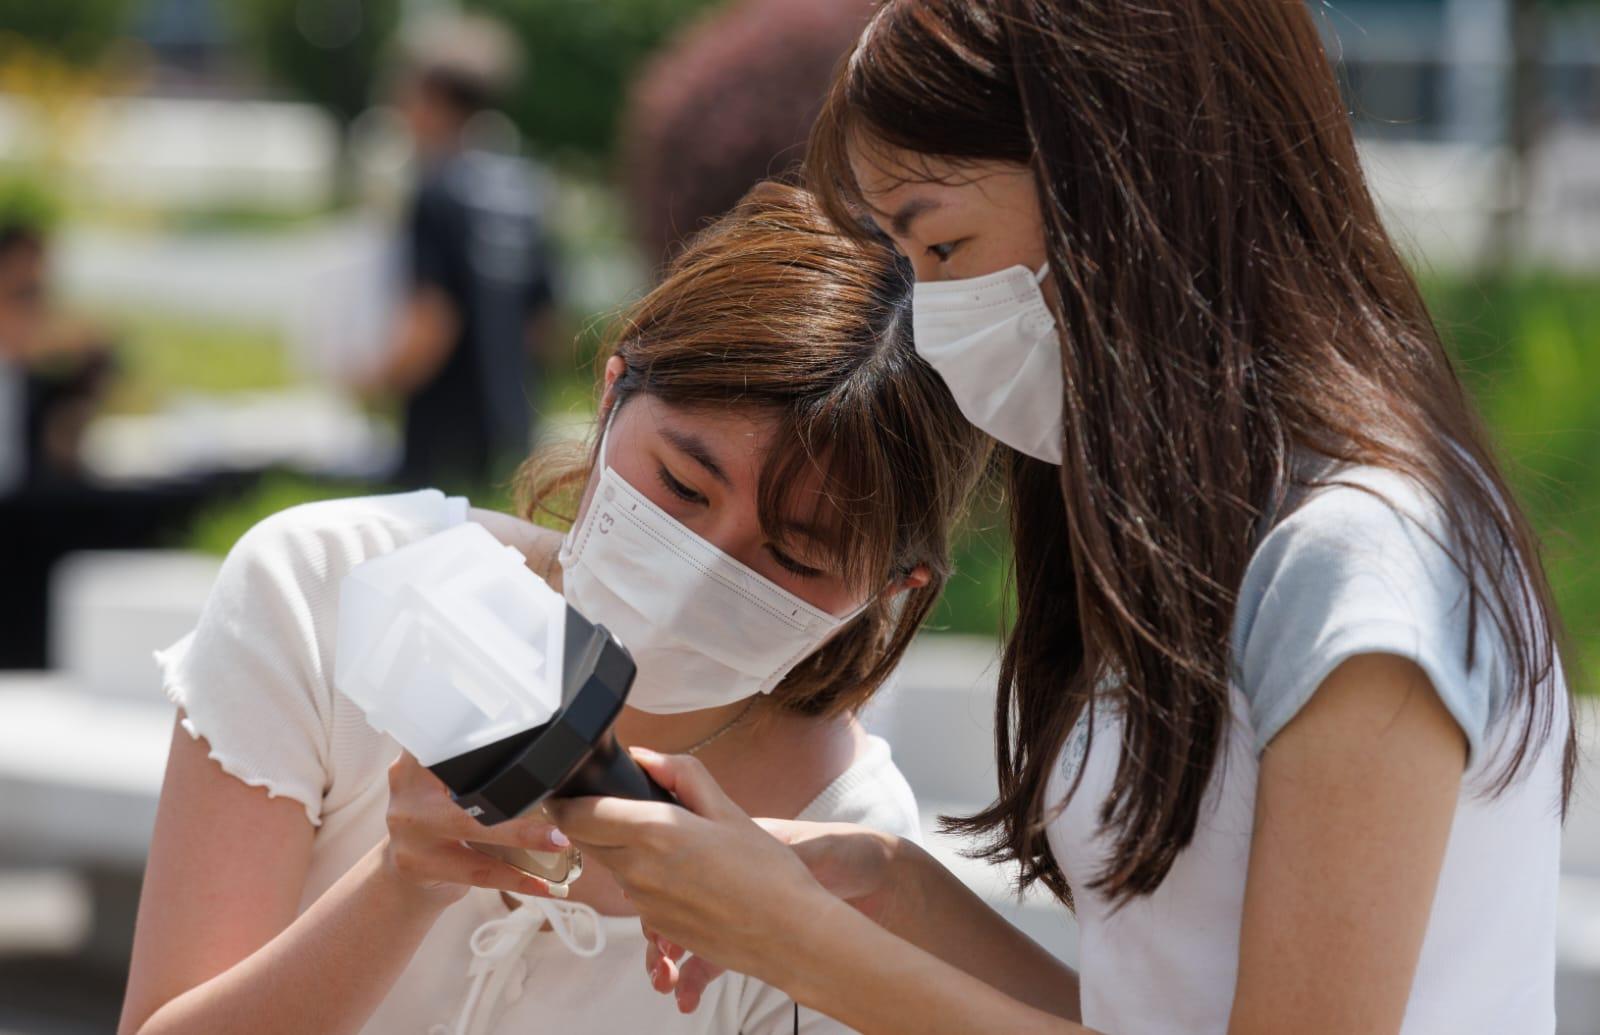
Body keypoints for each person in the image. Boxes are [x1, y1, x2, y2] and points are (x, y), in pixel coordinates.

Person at [549, 3, 1578, 1034]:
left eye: (943, 246)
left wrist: (796, 942)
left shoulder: (1357, 562)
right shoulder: (1209, 542)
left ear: (1123, 191)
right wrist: (884, 887)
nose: (933, 318)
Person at [118, 181, 989, 1035]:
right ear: (611, 396)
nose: (701, 568)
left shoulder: (843, 841)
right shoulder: (325, 587)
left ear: (892, 589)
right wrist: (401, 880)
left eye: (795, 554)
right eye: (682, 485)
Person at [362, 16, 559, 491]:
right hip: (510, 435)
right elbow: (547, 327)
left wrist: (371, 383)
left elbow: (432, 323)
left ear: (430, 96)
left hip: (439, 442)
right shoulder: (525, 189)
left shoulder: (436, 192)